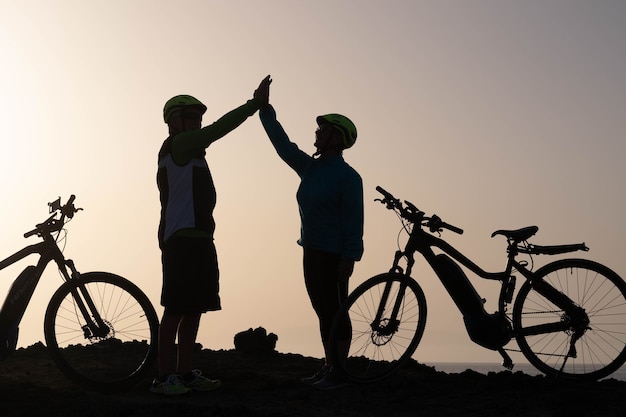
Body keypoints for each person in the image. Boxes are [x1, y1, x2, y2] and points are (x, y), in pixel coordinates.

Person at [151, 76, 272, 396]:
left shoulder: (190, 151)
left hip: (200, 239)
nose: (196, 122)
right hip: (181, 239)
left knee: (194, 309)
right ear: (173, 122)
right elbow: (219, 129)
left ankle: (185, 372)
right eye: (189, 117)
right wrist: (254, 104)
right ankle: (164, 377)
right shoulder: (180, 145)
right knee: (176, 309)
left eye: (198, 117)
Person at [255, 78, 364, 390]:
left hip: (335, 255)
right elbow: (282, 146)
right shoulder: (310, 168)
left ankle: (340, 371)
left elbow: (354, 222)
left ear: (336, 138)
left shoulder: (348, 177)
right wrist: (265, 110)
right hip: (311, 250)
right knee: (321, 309)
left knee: (336, 310)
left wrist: (350, 257)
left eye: (322, 129)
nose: (316, 132)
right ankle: (330, 365)